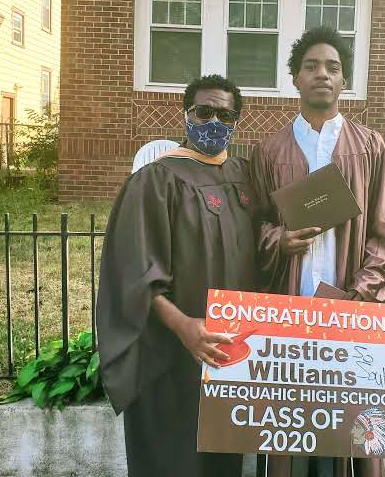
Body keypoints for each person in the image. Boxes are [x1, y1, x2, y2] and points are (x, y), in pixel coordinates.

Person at [250, 26, 385, 477]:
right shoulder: (269, 150)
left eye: (332, 67)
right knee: (286, 420)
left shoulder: (369, 147)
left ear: (344, 80)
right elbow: (253, 224)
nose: (322, 74)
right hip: (289, 302)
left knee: (355, 426)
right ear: (295, 78)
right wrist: (279, 240)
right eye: (311, 66)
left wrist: (360, 295)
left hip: (349, 305)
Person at [97, 75, 257, 477]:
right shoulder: (156, 178)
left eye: (225, 115)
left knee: (221, 457)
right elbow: (132, 268)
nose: (214, 122)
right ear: (186, 115)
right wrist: (183, 326)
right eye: (204, 112)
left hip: (229, 349)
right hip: (171, 352)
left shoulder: (243, 175)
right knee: (173, 458)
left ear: (236, 122)